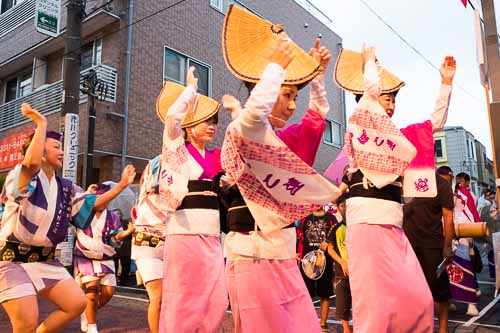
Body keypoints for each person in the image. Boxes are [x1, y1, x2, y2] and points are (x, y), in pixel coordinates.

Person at [218, 5, 339, 333]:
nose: (290, 104)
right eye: (285, 94)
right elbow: (253, 117)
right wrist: (275, 67)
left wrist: (318, 77)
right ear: (264, 89)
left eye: (293, 97)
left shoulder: (288, 141)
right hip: (251, 255)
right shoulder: (240, 134)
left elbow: (316, 117)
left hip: (284, 256)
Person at [335, 45, 456, 332]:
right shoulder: (359, 128)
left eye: (392, 101)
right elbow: (370, 98)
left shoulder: (399, 139)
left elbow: (434, 124)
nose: (389, 106)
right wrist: (369, 65)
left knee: (418, 300)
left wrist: (446, 84)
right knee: (373, 308)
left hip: (394, 225)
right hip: (365, 222)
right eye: (385, 99)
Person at [0, 104, 131, 333]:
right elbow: (30, 165)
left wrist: (121, 185)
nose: (62, 152)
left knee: (76, 303)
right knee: (26, 322)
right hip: (12, 257)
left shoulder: (66, 187)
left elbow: (91, 203)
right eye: (56, 147)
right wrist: (41, 124)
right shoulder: (21, 174)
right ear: (40, 150)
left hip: (45, 259)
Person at [156, 66, 227, 333]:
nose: (212, 127)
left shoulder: (215, 155)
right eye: (205, 121)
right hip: (184, 236)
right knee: (183, 302)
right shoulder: (177, 149)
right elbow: (172, 118)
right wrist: (190, 92)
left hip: (211, 237)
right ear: (188, 124)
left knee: (217, 300)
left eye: (214, 121)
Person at [75, 181, 136, 333]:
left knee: (108, 293)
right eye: (101, 198)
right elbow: (74, 205)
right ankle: (91, 325)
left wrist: (128, 232)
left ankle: (87, 312)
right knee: (92, 290)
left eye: (107, 199)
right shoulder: (83, 214)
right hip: (86, 257)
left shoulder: (113, 217)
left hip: (105, 258)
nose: (105, 202)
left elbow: (115, 238)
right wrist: (88, 193)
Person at [403, 165, 455, 333]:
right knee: (411, 292)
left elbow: (448, 216)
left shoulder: (441, 183)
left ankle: (443, 329)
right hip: (407, 245)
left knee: (439, 291)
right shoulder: (405, 180)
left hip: (433, 245)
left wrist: (447, 246)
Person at [296, 207, 337, 332]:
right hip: (307, 263)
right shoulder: (304, 218)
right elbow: (297, 235)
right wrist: (296, 252)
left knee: (325, 295)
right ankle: (307, 324)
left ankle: (323, 325)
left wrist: (330, 243)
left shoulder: (331, 218)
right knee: (306, 295)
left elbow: (336, 236)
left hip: (325, 263)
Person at [450, 172, 481, 315]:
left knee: (466, 267)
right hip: (448, 234)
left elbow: (472, 213)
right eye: (457, 181)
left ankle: (471, 302)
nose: (459, 183)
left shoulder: (469, 196)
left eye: (461, 181)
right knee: (448, 269)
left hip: (463, 233)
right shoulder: (449, 192)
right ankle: (449, 299)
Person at [329, 192, 351, 333]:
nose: (345, 208)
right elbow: (330, 249)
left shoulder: (361, 227)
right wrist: (342, 262)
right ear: (337, 208)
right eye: (342, 206)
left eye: (348, 205)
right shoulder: (336, 229)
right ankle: (346, 329)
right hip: (341, 273)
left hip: (361, 272)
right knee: (343, 303)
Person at [112, 208, 132, 286]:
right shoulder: (110, 223)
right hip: (114, 249)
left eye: (118, 214)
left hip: (125, 248)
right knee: (114, 265)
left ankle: (124, 281)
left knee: (126, 265)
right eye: (114, 214)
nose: (116, 215)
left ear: (121, 215)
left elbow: (131, 232)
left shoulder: (126, 223)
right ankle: (114, 280)